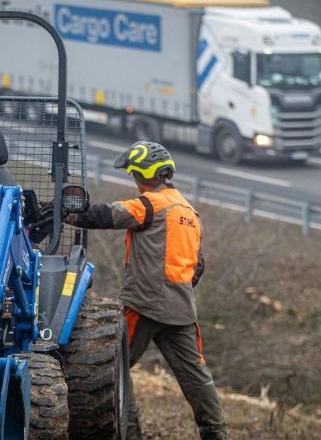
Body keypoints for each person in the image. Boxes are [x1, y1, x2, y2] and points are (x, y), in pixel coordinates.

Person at [64, 141, 227, 440]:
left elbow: (105, 215)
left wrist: (64, 213)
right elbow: (197, 267)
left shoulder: (150, 205)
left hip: (143, 305)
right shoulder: (191, 213)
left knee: (112, 369)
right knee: (197, 379)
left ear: (144, 174)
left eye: (134, 174)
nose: (134, 182)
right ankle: (216, 434)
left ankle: (131, 433)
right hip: (181, 310)